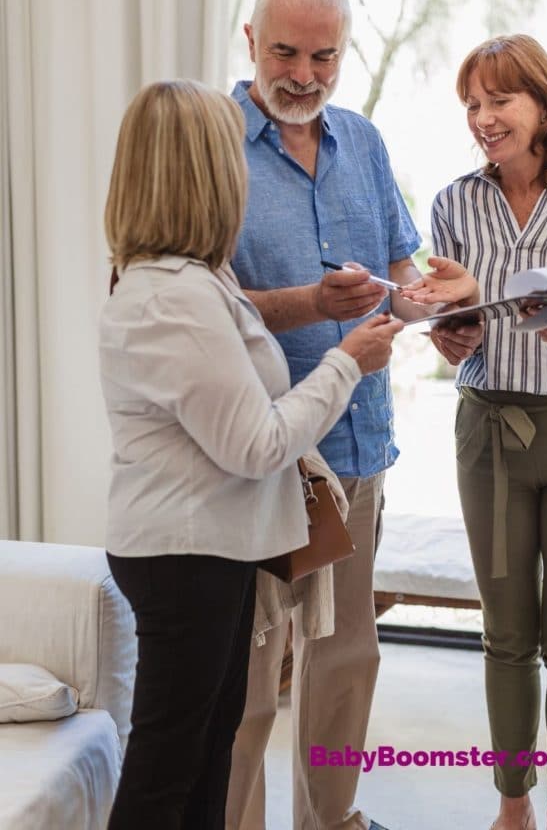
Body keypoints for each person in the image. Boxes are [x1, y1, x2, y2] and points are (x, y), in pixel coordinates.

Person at [99, 79, 405, 830]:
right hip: (186, 556)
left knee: (202, 758)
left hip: (210, 551)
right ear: (203, 172)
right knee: (169, 772)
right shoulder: (172, 295)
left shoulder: (196, 280)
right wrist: (347, 362)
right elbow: (257, 443)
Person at [226, 0, 478, 830]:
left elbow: (397, 275)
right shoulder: (209, 144)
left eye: (323, 56)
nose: (304, 75)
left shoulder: (362, 142)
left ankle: (329, 820)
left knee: (345, 660)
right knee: (249, 683)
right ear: (251, 42)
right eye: (286, 53)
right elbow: (185, 299)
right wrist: (308, 304)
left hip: (355, 455)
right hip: (257, 458)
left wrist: (437, 310)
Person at [402, 35, 547, 830]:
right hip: (490, 433)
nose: (482, 117)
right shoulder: (453, 202)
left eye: (498, 99)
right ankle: (513, 805)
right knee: (505, 634)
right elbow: (450, 319)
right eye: (471, 103)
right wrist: (448, 335)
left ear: (541, 102)